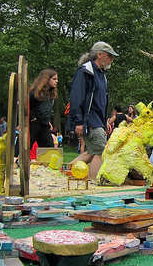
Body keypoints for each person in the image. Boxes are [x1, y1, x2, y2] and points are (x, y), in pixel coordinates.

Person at [67, 41, 116, 180]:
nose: (112, 59)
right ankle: (95, 183)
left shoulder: (101, 74)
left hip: (97, 121)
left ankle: (63, 171)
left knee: (92, 151)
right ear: (99, 55)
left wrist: (104, 121)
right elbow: (77, 98)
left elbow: (101, 101)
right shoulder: (85, 71)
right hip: (88, 120)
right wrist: (79, 121)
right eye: (109, 55)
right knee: (101, 151)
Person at [28, 69, 59, 150]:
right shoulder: (35, 93)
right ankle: (16, 160)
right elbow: (25, 106)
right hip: (34, 124)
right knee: (26, 146)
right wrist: (32, 118)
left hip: (44, 124)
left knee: (49, 147)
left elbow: (46, 109)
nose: (57, 81)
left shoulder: (50, 94)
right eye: (54, 79)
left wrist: (47, 121)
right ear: (46, 79)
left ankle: (48, 162)